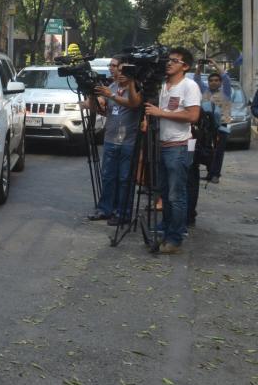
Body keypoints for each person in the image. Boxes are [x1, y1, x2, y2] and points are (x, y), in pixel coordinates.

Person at [143, 47, 201, 255]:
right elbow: (151, 108)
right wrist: (149, 116)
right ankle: (167, 228)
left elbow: (193, 116)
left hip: (179, 146)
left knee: (177, 195)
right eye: (168, 60)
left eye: (174, 61)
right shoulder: (163, 86)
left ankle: (175, 238)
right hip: (162, 144)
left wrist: (162, 113)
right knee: (165, 193)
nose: (169, 63)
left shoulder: (189, 86)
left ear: (185, 66)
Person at [85, 56, 142, 226]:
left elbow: (134, 103)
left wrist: (128, 84)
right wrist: (92, 94)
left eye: (121, 68)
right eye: (114, 67)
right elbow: (99, 107)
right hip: (110, 139)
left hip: (129, 141)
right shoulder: (111, 86)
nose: (116, 71)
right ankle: (105, 209)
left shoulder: (137, 87)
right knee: (108, 176)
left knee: (125, 178)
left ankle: (123, 212)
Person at [193, 61, 232, 183]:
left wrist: (215, 64)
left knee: (218, 150)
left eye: (216, 80)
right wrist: (199, 67)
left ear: (220, 83)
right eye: (211, 80)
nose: (213, 82)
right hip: (207, 126)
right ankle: (210, 173)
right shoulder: (205, 90)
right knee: (207, 149)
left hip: (221, 125)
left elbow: (225, 77)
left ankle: (216, 175)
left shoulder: (226, 91)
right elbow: (197, 79)